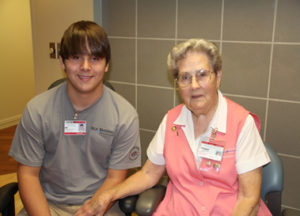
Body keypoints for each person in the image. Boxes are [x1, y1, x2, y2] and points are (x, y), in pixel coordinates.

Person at [78, 39, 272, 216]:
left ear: (218, 77)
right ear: (177, 84)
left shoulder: (241, 123)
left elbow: (249, 199)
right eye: (185, 78)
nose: (194, 85)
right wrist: (108, 195)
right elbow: (148, 174)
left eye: (202, 75)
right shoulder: (171, 121)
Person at [9, 20, 141, 216]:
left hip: (100, 205)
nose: (85, 67)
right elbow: (28, 175)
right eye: (76, 57)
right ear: (62, 62)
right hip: (46, 204)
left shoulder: (124, 116)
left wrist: (90, 210)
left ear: (107, 65)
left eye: (95, 58)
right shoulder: (37, 110)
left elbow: (115, 178)